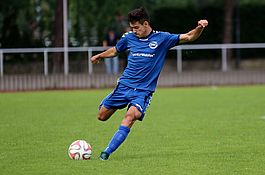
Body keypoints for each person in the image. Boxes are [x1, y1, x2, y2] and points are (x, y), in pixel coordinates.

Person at [90, 7, 208, 160]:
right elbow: (115, 50)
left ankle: (106, 153)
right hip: (124, 86)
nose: (134, 31)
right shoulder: (128, 38)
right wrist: (100, 55)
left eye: (136, 28)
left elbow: (189, 37)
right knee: (102, 116)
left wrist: (200, 27)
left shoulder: (162, 39)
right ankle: (116, 100)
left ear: (146, 24)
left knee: (131, 116)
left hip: (143, 91)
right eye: (132, 28)